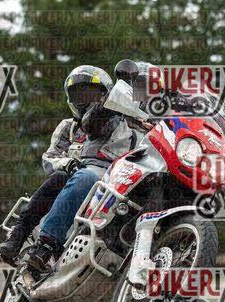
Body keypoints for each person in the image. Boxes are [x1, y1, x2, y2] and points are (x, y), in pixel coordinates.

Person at [24, 61, 158, 273]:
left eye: (149, 92)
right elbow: (89, 126)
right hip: (98, 172)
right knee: (86, 177)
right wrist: (68, 163)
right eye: (141, 90)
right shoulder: (105, 116)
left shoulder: (155, 123)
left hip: (135, 174)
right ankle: (45, 246)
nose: (144, 96)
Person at [0, 65, 113, 263]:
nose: (84, 100)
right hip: (72, 183)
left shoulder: (119, 124)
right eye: (78, 95)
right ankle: (19, 234)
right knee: (60, 176)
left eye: (90, 94)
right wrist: (68, 164)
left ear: (105, 94)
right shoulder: (68, 127)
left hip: (107, 185)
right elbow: (49, 158)